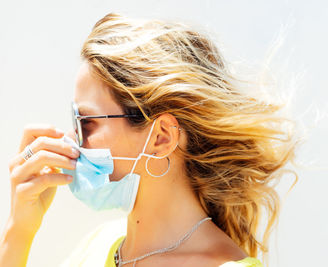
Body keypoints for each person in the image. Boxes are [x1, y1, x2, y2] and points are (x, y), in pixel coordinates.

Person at [0, 13, 300, 267]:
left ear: (162, 138)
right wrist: (19, 231)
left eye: (86, 124)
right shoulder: (97, 245)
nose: (71, 142)